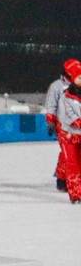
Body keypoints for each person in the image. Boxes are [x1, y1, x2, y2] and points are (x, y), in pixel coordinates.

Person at [44, 59, 81, 191]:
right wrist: (50, 121)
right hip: (63, 124)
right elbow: (51, 105)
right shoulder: (57, 86)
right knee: (69, 154)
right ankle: (63, 178)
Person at [53, 65, 81, 204]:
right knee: (73, 165)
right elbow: (70, 117)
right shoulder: (66, 96)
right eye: (79, 77)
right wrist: (50, 120)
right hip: (69, 136)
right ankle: (76, 195)